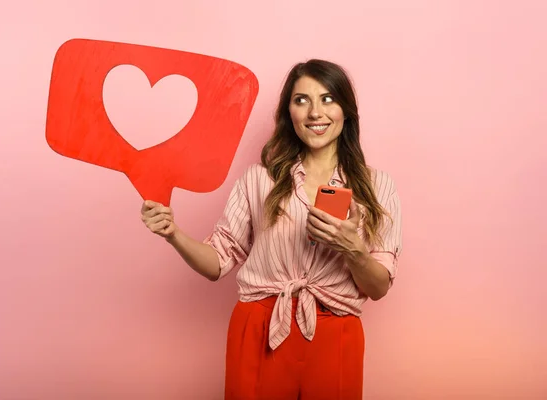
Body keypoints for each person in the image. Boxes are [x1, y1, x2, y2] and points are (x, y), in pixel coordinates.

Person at [140, 59, 402, 400]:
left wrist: (351, 248)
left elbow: (378, 288)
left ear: (346, 110)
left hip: (335, 331)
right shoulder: (259, 179)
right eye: (301, 100)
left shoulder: (377, 187)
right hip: (260, 326)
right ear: (288, 112)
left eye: (327, 99)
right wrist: (173, 233)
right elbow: (217, 263)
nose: (314, 113)